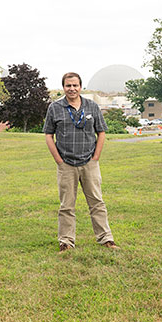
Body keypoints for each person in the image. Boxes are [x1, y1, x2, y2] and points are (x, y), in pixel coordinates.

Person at [43, 72, 118, 251]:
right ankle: (66, 242)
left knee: (97, 202)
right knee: (66, 206)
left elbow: (101, 132)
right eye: (68, 86)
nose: (72, 89)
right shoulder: (55, 107)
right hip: (66, 164)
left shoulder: (92, 106)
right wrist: (59, 160)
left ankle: (106, 239)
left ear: (80, 87)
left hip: (89, 163)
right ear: (63, 87)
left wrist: (96, 157)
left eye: (75, 85)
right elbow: (48, 135)